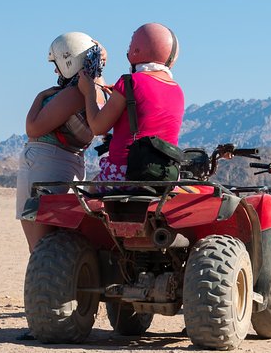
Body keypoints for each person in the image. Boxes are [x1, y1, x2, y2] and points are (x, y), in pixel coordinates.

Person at [17, 32, 109, 253]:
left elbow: (32, 128)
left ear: (70, 61)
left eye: (58, 64)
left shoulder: (73, 93)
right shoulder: (99, 91)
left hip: (44, 164)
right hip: (71, 165)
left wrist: (41, 96)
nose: (56, 71)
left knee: (40, 248)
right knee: (61, 244)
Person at [78, 23, 184, 182]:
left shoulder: (129, 82)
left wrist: (89, 92)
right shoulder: (177, 90)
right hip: (163, 177)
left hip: (127, 173)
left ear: (135, 51)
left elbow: (97, 127)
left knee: (87, 192)